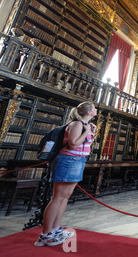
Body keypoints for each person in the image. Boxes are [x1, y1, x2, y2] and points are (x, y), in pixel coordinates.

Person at [34, 101, 97, 246]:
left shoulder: (84, 125)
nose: (95, 110)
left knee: (65, 197)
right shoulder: (76, 124)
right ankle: (45, 234)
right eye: (94, 108)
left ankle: (55, 229)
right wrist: (87, 131)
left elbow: (84, 144)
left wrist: (91, 131)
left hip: (77, 161)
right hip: (68, 160)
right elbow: (73, 143)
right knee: (57, 198)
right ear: (88, 112)